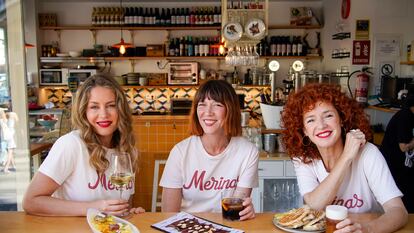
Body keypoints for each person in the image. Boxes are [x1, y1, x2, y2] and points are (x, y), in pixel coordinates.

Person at [281, 83, 407, 232]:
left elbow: (399, 212)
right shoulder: (303, 159)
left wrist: (365, 230)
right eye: (310, 120)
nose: (321, 126)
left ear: (341, 119)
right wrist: (347, 156)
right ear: (304, 131)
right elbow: (314, 206)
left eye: (328, 115)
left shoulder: (368, 153)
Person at [23, 74, 145, 216]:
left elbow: (122, 204)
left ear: (121, 110)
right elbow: (31, 202)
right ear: (84, 112)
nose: (103, 114)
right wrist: (93, 208)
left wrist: (129, 213)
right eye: (94, 107)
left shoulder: (126, 149)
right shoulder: (71, 144)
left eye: (111, 105)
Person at [159, 80, 258, 220]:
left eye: (217, 105)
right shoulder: (180, 152)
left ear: (231, 109)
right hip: (187, 228)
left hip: (227, 227)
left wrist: (245, 212)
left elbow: (235, 212)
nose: (208, 112)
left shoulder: (247, 152)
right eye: (202, 105)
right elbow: (168, 214)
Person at [380, 90, 414, 213]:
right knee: (405, 191)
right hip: (392, 162)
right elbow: (403, 147)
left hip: (398, 160)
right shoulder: (405, 117)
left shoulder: (408, 115)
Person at [0, 108, 17, 173]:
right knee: (10, 152)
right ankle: (6, 168)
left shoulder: (3, 120)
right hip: (9, 137)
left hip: (4, 138)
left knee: (10, 151)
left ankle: (13, 166)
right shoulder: (4, 120)